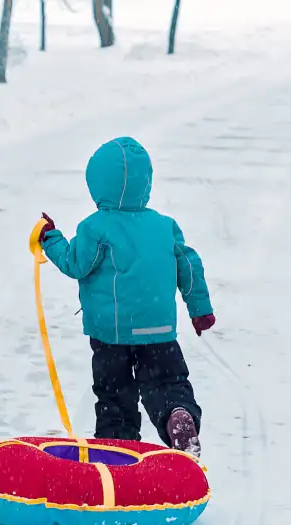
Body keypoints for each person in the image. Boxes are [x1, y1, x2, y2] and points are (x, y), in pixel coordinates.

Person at [39, 136, 215, 456]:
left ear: (97, 185)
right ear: (146, 182)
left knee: (115, 395)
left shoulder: (95, 227)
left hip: (111, 334)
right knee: (166, 382)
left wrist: (50, 238)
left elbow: (75, 264)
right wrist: (199, 309)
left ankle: (118, 451)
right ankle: (177, 414)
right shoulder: (164, 226)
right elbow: (189, 264)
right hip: (158, 329)